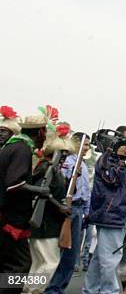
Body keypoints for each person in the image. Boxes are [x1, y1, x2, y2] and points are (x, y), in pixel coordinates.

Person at [0, 111, 51, 294]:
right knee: (18, 266)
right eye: (45, 134)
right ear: (40, 133)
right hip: (10, 220)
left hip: (6, 216)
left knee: (8, 265)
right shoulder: (22, 148)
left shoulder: (11, 146)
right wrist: (40, 190)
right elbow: (14, 184)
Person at [81, 141, 126, 294]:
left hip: (121, 210)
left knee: (101, 255)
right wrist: (119, 158)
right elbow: (111, 179)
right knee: (111, 255)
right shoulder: (107, 159)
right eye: (125, 141)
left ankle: (90, 289)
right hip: (111, 212)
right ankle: (109, 291)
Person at [26, 131, 73, 294]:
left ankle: (29, 289)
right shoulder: (48, 169)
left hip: (46, 222)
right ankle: (34, 290)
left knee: (39, 263)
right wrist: (59, 206)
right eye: (62, 153)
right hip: (45, 223)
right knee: (50, 262)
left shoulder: (48, 168)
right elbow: (43, 192)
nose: (64, 157)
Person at [44, 132, 91, 294]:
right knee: (58, 254)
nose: (87, 148)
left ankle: (58, 288)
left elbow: (86, 192)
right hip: (65, 208)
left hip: (78, 210)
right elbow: (61, 187)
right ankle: (50, 289)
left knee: (71, 257)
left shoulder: (83, 165)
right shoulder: (67, 162)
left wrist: (86, 211)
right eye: (85, 144)